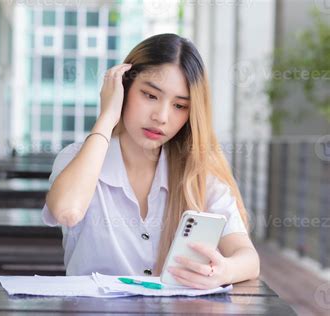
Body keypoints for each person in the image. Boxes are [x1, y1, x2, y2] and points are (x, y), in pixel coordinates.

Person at [42, 33, 260, 290]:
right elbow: (67, 211)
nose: (162, 117)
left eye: (179, 106)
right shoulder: (76, 158)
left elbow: (249, 260)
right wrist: (107, 117)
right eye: (150, 95)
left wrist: (224, 271)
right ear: (123, 89)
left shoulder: (197, 173)